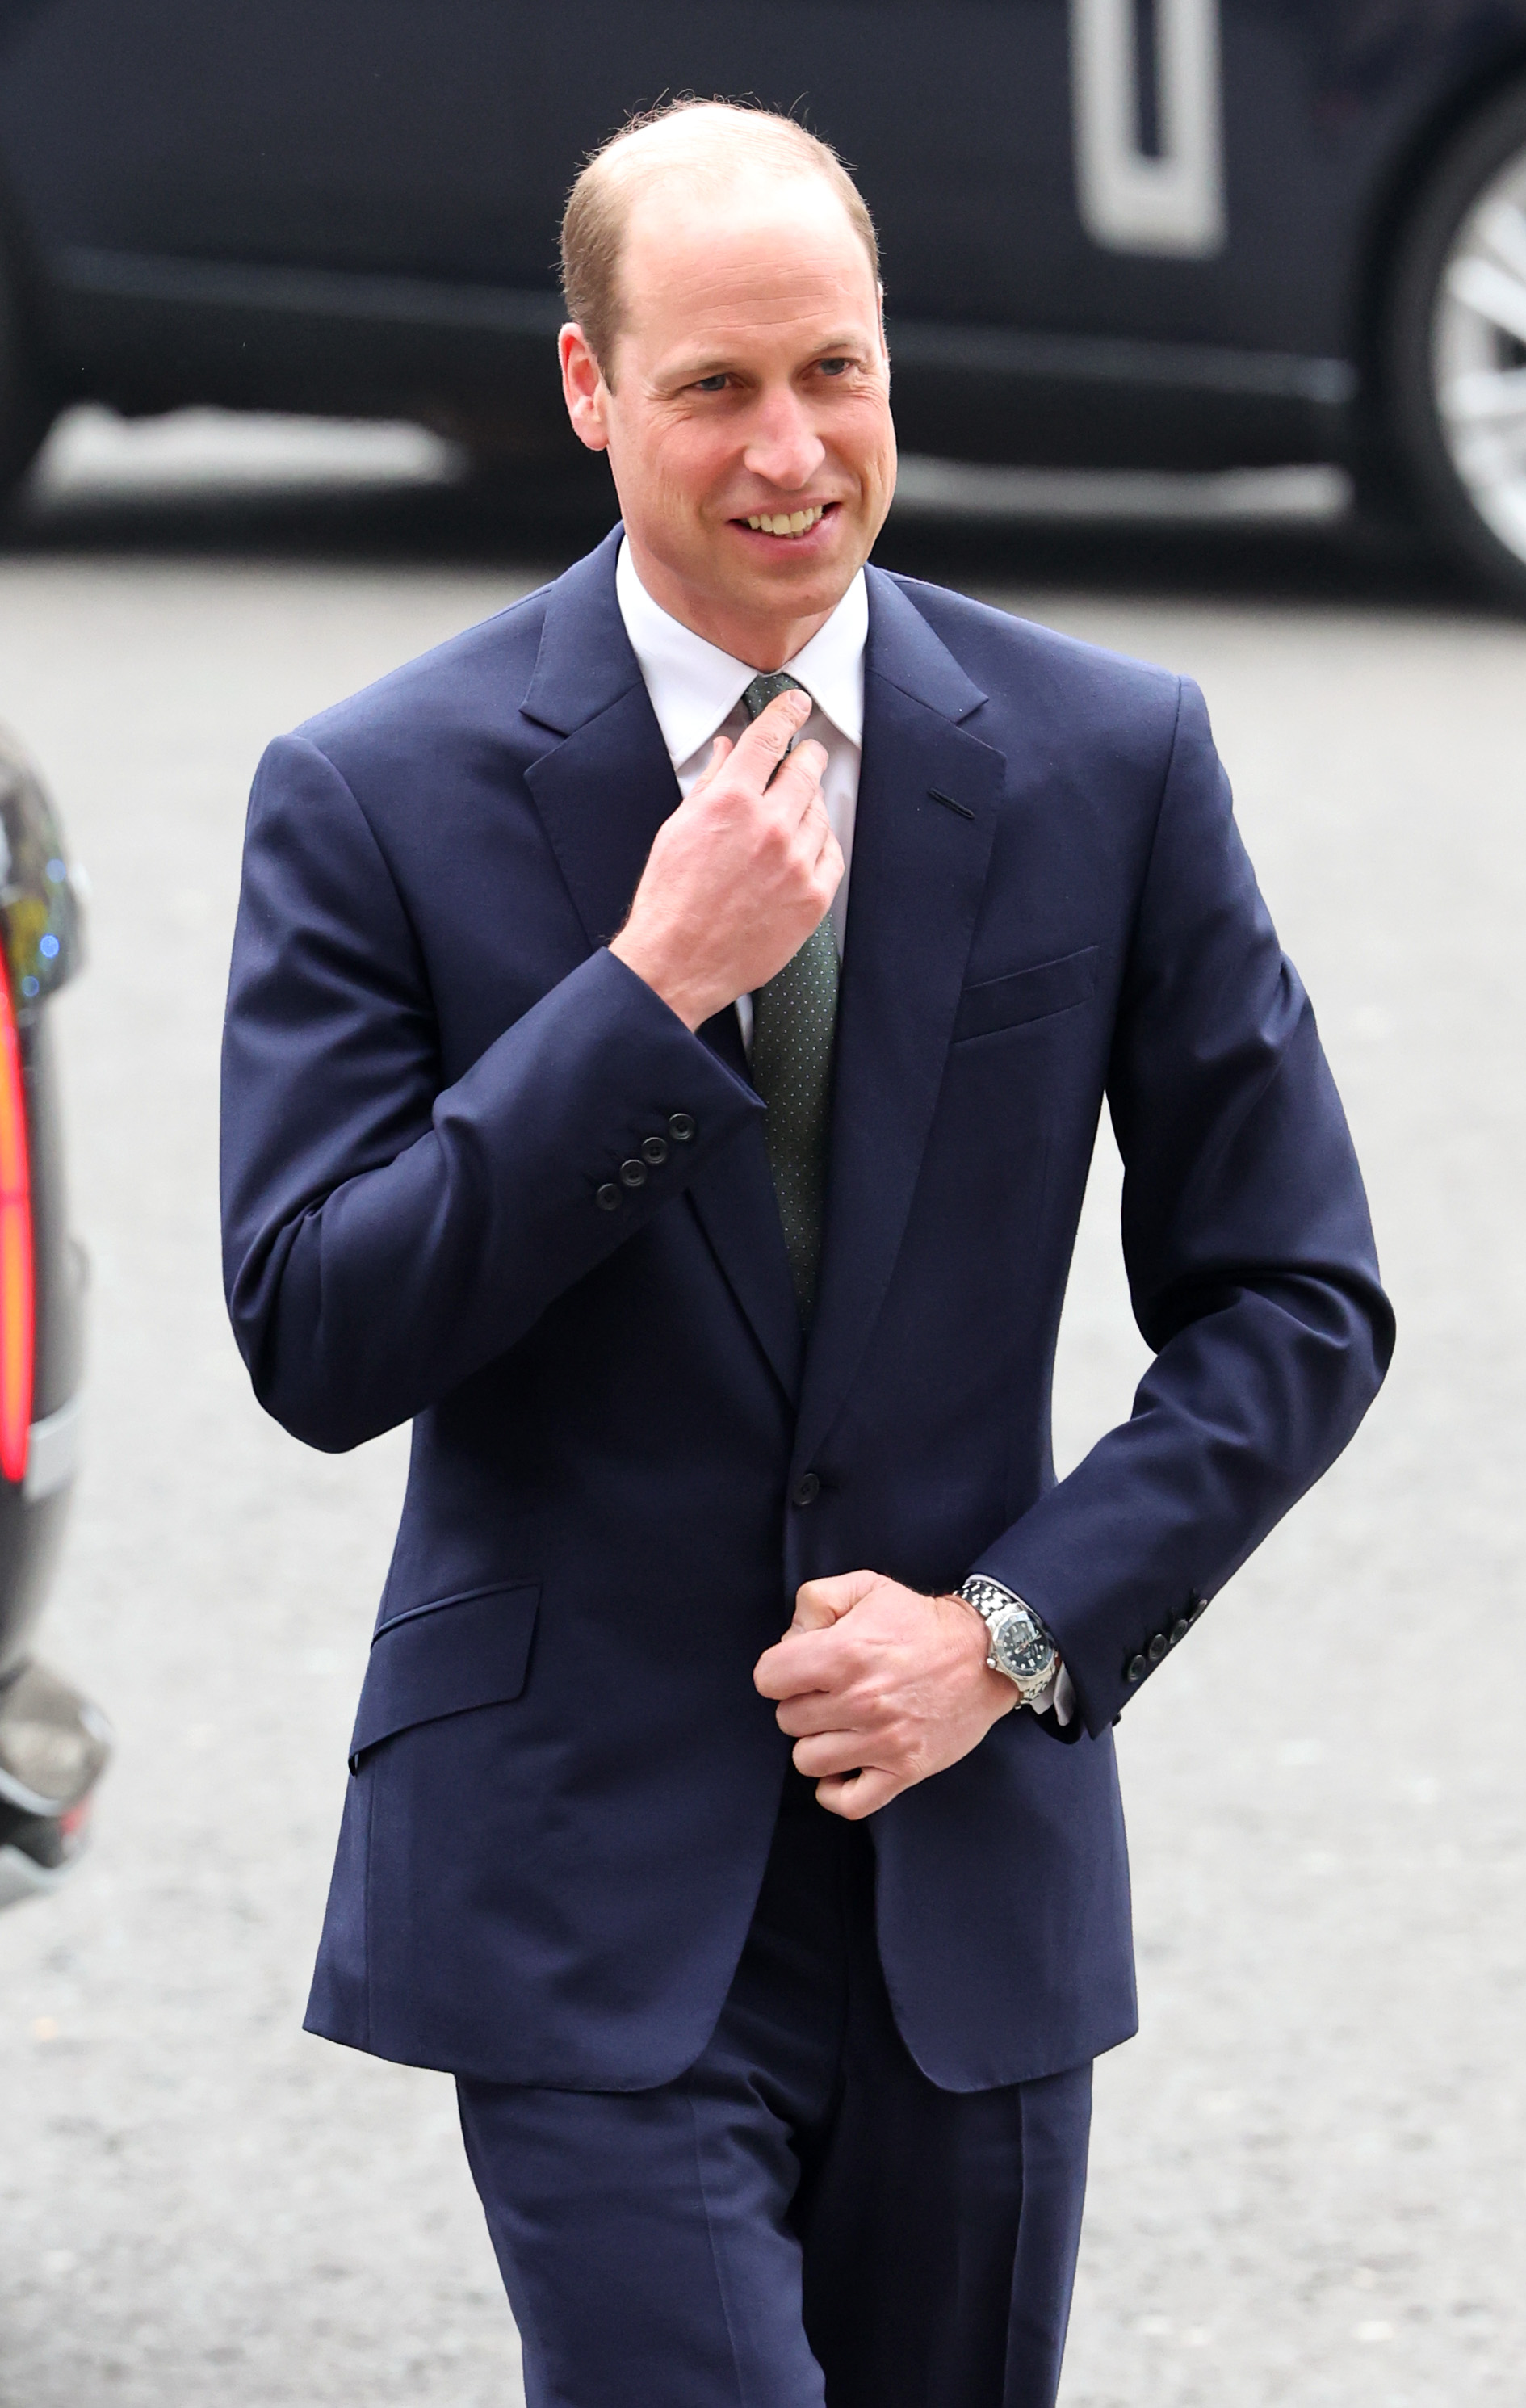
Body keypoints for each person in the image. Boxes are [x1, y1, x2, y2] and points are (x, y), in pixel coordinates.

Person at [220, 99, 1393, 2408]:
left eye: (832, 374)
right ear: (586, 388)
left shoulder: (1103, 759)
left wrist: (1010, 1633)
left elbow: (1294, 1298)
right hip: (577, 1884)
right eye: (713, 389)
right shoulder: (374, 790)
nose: (790, 453)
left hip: (969, 1854)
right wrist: (641, 996)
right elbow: (317, 1328)